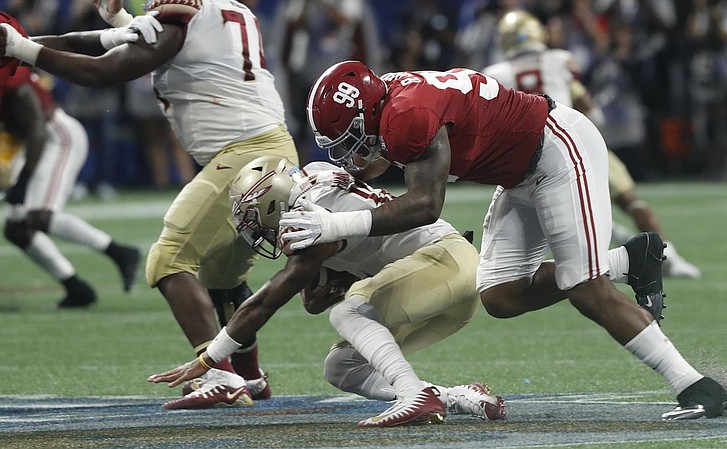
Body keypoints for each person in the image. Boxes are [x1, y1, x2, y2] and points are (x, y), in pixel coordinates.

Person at [280, 59, 727, 422]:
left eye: (349, 137)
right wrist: (347, 178)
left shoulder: (407, 114)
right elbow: (382, 159)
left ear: (368, 113)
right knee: (500, 295)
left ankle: (695, 386)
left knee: (586, 288)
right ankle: (630, 259)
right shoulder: (392, 99)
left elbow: (423, 206)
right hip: (519, 171)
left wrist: (334, 225)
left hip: (556, 151)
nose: (348, 150)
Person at [0, 0, 299, 407]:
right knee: (222, 279)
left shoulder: (182, 12)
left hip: (246, 155)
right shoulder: (226, 9)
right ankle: (250, 377)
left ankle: (217, 373)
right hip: (272, 150)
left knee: (168, 262)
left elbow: (102, 70)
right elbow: (143, 42)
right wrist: (114, 24)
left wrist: (23, 50)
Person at [149, 155, 507, 426]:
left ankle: (415, 397)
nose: (258, 230)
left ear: (274, 200)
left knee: (349, 311)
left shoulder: (316, 207)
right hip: (440, 285)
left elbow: (271, 298)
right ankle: (457, 397)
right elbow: (313, 301)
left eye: (257, 216)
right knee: (341, 367)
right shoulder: (315, 186)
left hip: (445, 260)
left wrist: (210, 357)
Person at [482, 10, 701, 279]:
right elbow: (592, 111)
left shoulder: (493, 75)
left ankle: (597, 261)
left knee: (552, 223)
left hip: (524, 160)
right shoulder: (559, 60)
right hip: (573, 143)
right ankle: (669, 257)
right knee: (630, 201)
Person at [0, 14, 140, 308]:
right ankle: (75, 287)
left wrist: (22, 183)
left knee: (39, 215)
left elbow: (37, 127)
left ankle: (120, 252)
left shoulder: (10, 75)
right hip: (30, 141)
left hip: (55, 136)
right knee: (16, 227)